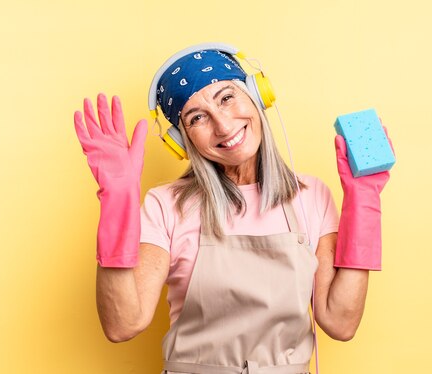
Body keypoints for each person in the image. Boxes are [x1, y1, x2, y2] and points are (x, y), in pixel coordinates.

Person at [74, 43, 392, 374]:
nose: (224, 126)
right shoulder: (165, 205)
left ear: (257, 96)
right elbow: (122, 325)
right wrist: (116, 200)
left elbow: (341, 323)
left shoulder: (311, 196)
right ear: (183, 141)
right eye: (197, 117)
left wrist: (364, 201)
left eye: (227, 97)